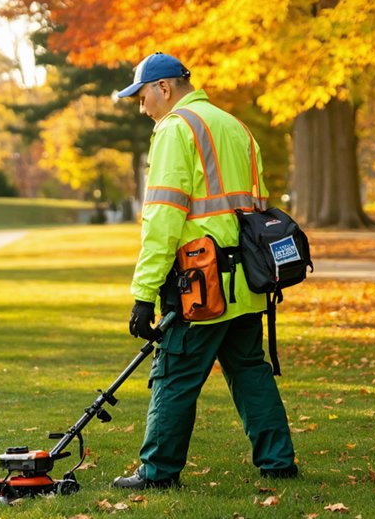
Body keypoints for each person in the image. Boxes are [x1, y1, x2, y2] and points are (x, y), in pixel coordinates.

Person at [112, 53, 297, 490]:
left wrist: (144, 293)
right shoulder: (235, 127)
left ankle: (157, 473)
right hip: (248, 279)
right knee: (250, 370)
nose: (142, 108)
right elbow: (257, 202)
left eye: (142, 97)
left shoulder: (177, 129)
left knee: (174, 374)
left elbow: (163, 217)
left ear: (164, 88)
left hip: (202, 283)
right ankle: (278, 463)